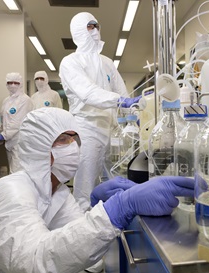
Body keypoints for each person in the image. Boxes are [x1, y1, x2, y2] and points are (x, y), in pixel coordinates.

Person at [0, 107, 201, 273]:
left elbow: (81, 256)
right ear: (38, 147)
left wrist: (95, 208)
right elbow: (39, 262)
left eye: (75, 138)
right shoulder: (13, 192)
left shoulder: (55, 193)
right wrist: (120, 207)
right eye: (63, 139)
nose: (74, 147)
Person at [59, 12, 143, 213]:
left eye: (96, 25)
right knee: (86, 188)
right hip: (87, 129)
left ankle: (112, 226)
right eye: (89, 26)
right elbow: (88, 93)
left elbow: (121, 91)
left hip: (112, 130)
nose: (95, 30)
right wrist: (119, 101)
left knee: (114, 180)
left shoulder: (107, 62)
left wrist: (134, 113)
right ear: (79, 30)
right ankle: (82, 232)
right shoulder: (70, 62)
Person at [0, 72, 34, 173]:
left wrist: (3, 135)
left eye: (16, 83)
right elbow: (4, 119)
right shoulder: (6, 101)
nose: (13, 85)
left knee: (18, 173)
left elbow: (17, 122)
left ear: (21, 84)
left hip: (20, 141)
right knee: (13, 171)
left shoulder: (25, 100)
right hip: (11, 142)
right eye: (10, 83)